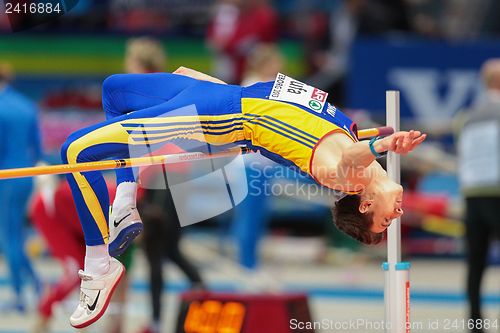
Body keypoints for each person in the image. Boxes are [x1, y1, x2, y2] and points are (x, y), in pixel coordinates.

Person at [60, 67, 426, 328]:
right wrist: (216, 83)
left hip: (218, 117)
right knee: (114, 90)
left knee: (76, 151)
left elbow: (350, 156)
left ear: (364, 203)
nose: (397, 213)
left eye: (386, 219)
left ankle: (99, 267)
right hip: (224, 93)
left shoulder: (343, 176)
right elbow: (282, 100)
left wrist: (378, 145)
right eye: (391, 220)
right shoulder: (349, 132)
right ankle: (125, 197)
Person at [124, 37, 205, 333]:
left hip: (164, 178)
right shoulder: (159, 90)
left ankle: (158, 321)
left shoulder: (145, 94)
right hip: (168, 177)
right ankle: (198, 289)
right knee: (167, 249)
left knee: (157, 250)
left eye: (129, 62)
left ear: (139, 65)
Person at [455, 58, 500, 333]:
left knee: (475, 264)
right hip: (498, 191)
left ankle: (475, 325)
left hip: (472, 194)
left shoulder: (465, 117)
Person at [0, 61, 42, 312]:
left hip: (5, 176)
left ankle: (18, 295)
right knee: (15, 235)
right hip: (26, 175)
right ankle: (35, 282)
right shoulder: (27, 105)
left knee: (8, 237)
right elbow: (37, 149)